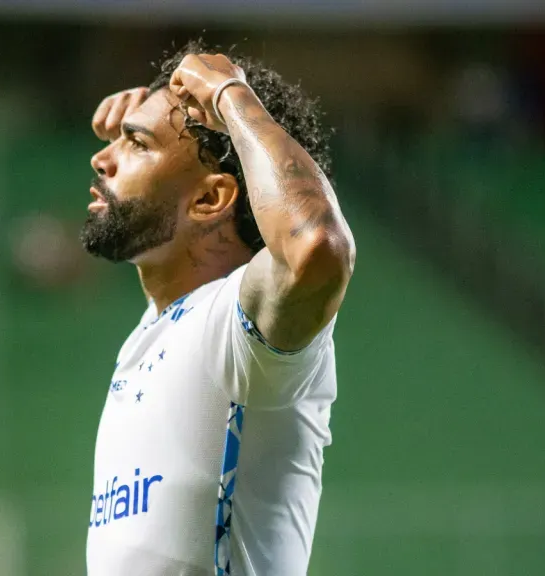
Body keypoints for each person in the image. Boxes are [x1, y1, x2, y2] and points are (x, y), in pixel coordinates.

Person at [81, 41, 355, 576]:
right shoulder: (156, 329)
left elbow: (318, 246)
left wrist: (231, 96)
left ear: (210, 200)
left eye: (135, 144)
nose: (100, 157)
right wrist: (151, 126)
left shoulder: (236, 329)